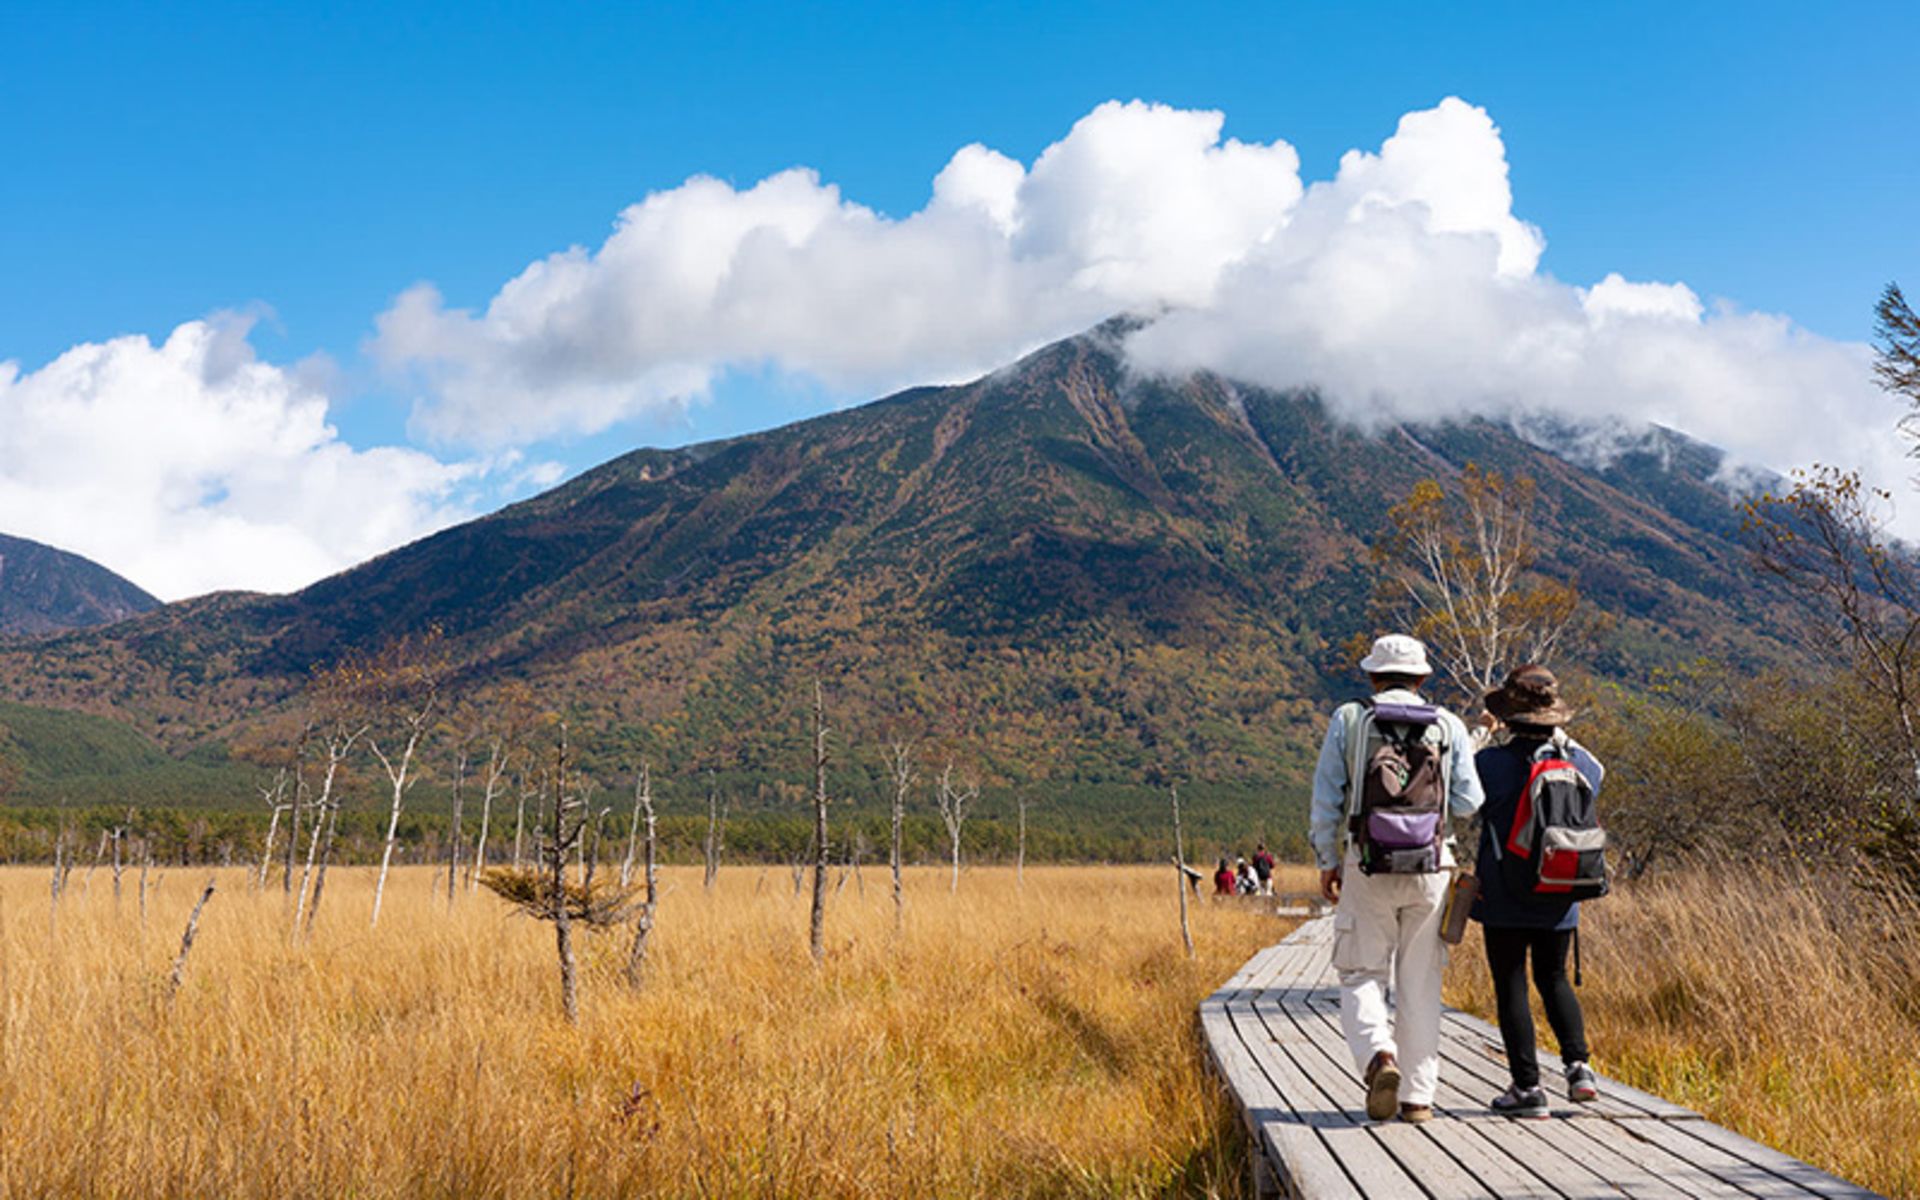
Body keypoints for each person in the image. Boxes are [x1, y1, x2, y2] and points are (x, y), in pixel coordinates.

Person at [1309, 634, 1484, 1124]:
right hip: (1432, 865)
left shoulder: (1350, 718)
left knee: (1361, 972)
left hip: (1367, 863)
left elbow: (1328, 799)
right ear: (1424, 678)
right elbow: (1470, 803)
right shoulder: (1447, 724)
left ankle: (1379, 1057)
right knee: (1421, 983)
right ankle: (1417, 1099)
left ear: (1371, 675)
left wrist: (1327, 859)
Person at [1471, 664, 1603, 1118]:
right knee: (1554, 977)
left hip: (1504, 893)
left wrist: (1484, 735)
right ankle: (1579, 1068)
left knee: (1511, 985)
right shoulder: (1579, 764)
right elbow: (1598, 774)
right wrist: (1562, 739)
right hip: (1560, 890)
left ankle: (1527, 1089)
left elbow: (1465, 801)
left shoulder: (1489, 764)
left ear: (1508, 717)